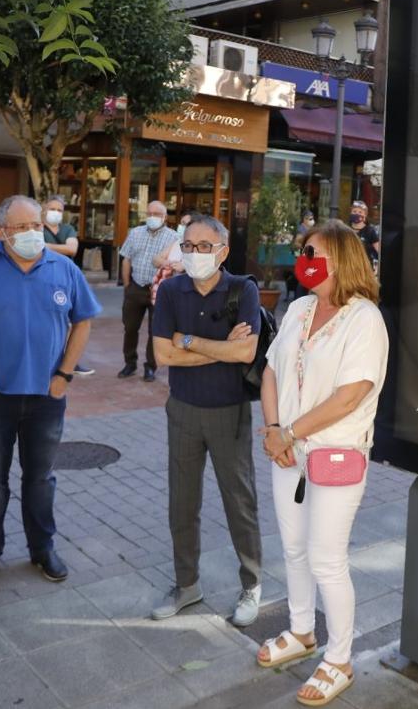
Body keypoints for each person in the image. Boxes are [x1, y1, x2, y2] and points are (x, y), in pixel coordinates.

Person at [256, 220, 389, 707]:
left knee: (326, 559)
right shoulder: (299, 308)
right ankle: (301, 631)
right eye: (303, 251)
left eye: (313, 253)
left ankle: (339, 659)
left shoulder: (364, 319)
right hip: (287, 451)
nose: (304, 260)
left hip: (334, 454)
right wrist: (274, 429)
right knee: (293, 549)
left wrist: (290, 432)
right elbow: (271, 370)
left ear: (343, 260)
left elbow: (351, 395)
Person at [0, 195, 101, 592]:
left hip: (46, 398)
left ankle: (42, 547)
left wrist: (64, 374)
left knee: (41, 479)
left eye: (37, 225)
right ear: (1, 232)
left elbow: (83, 321)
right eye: (22, 227)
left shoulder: (63, 268)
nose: (33, 233)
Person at [149, 216, 264, 627]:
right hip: (182, 409)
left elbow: (245, 353)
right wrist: (218, 348)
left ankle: (252, 584)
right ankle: (187, 584)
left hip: (229, 411)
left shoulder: (242, 290)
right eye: (188, 245)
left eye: (204, 246)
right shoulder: (171, 291)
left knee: (239, 502)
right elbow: (163, 355)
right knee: (182, 504)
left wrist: (188, 341)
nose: (195, 253)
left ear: (223, 252)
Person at [118, 201, 179, 381]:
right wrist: (127, 285)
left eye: (157, 214)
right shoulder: (135, 233)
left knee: (155, 330)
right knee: (130, 328)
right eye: (149, 213)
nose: (152, 217)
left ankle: (150, 367)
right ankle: (130, 363)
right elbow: (126, 259)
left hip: (159, 291)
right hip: (136, 287)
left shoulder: (174, 238)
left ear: (164, 217)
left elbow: (176, 265)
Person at [42, 195, 94, 376]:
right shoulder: (38, 227)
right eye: (52, 209)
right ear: (44, 209)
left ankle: (69, 361)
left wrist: (46, 246)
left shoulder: (67, 229)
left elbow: (72, 249)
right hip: (43, 279)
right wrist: (59, 248)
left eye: (59, 210)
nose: (56, 213)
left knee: (70, 321)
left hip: (65, 280)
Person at [348, 201, 380, 268]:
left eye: (360, 212)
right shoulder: (346, 230)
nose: (357, 214)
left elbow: (379, 250)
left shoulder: (370, 231)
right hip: (348, 266)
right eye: (354, 211)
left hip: (365, 267)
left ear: (365, 215)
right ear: (350, 213)